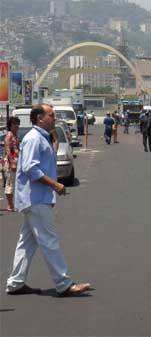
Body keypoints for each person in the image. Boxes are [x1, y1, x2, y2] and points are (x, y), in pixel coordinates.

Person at [5, 104, 91, 297]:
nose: (54, 118)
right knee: (48, 240)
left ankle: (15, 283)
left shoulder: (41, 137)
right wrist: (55, 184)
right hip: (36, 198)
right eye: (51, 115)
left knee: (27, 242)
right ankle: (63, 283)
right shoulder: (34, 139)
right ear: (39, 118)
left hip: (35, 198)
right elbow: (30, 168)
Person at [3, 116, 21, 211]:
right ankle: (10, 205)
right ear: (10, 125)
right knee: (10, 183)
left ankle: (13, 203)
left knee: (15, 183)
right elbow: (7, 149)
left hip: (17, 161)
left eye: (18, 124)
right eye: (15, 124)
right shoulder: (9, 135)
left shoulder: (15, 135)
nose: (17, 126)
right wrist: (12, 162)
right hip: (11, 162)